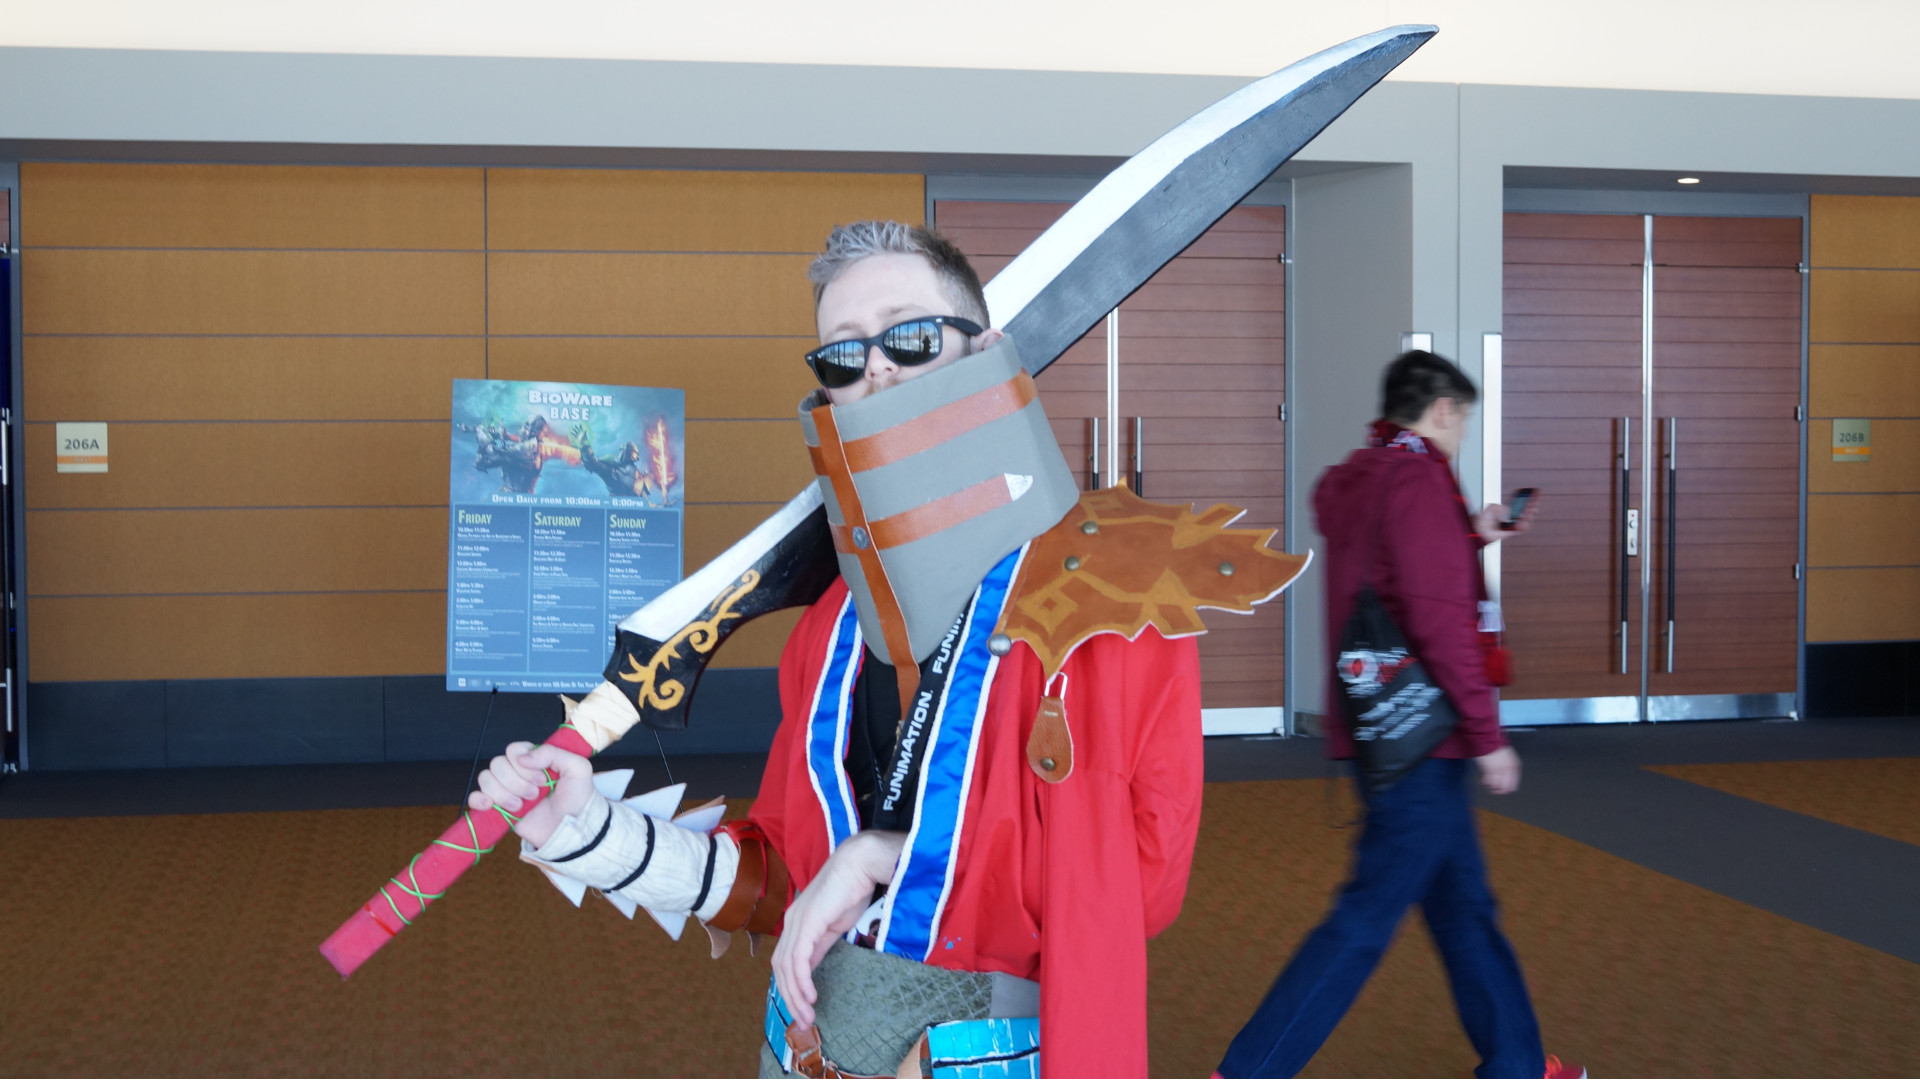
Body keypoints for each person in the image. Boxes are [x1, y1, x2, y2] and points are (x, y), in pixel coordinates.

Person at [468, 222, 1305, 1078]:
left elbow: (1136, 889)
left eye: (911, 336)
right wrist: (587, 830)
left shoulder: (1114, 604)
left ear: (986, 348)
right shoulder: (831, 625)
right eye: (843, 353)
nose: (877, 368)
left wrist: (880, 859)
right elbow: (783, 878)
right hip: (806, 1053)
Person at [1215, 351, 1578, 1080]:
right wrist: (1489, 737)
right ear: (1441, 408)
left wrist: (1471, 532)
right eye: (1463, 419)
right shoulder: (1418, 482)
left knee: (1463, 907)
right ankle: (1249, 1072)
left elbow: (1388, 571)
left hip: (1381, 728)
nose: (1462, 434)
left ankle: (1516, 1063)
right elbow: (1439, 620)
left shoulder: (1367, 476)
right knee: (1366, 918)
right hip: (1424, 739)